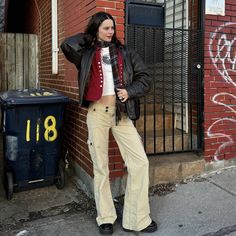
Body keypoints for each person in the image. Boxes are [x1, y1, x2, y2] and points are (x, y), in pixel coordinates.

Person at [61, 11, 157, 235]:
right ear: (96, 29)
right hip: (97, 113)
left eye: (112, 27)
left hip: (121, 113)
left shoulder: (126, 53)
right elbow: (67, 44)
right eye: (105, 27)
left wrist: (129, 91)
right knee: (101, 166)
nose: (110, 31)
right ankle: (105, 216)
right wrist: (90, 36)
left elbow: (145, 79)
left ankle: (137, 218)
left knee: (140, 162)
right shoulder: (85, 54)